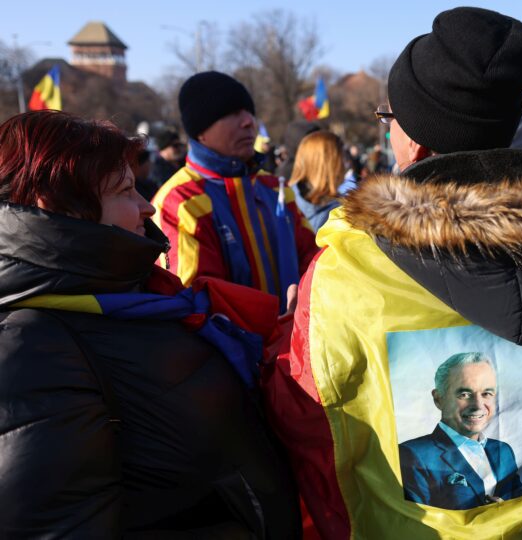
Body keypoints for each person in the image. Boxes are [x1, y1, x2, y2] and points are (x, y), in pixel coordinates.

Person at [262, 7, 522, 539]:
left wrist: (286, 337)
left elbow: (307, 422)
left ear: (416, 142)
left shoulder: (346, 270)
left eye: (389, 119)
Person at [0, 111, 301, 537]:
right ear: (59, 209)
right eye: (125, 191)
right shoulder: (30, 348)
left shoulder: (132, 296)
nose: (147, 205)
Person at [152, 72, 318, 312]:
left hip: (296, 344)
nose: (248, 122)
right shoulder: (179, 202)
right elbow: (196, 305)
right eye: (230, 113)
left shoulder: (275, 189)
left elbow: (314, 261)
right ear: (201, 131)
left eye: (248, 111)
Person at [399, 353, 522, 510]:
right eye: (465, 394)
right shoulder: (413, 455)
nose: (478, 405)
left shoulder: (503, 450)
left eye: (486, 393)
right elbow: (416, 523)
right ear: (439, 399)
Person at [289, 130, 357, 232]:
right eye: (342, 155)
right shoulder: (341, 214)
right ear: (329, 162)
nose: (346, 162)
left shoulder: (285, 199)